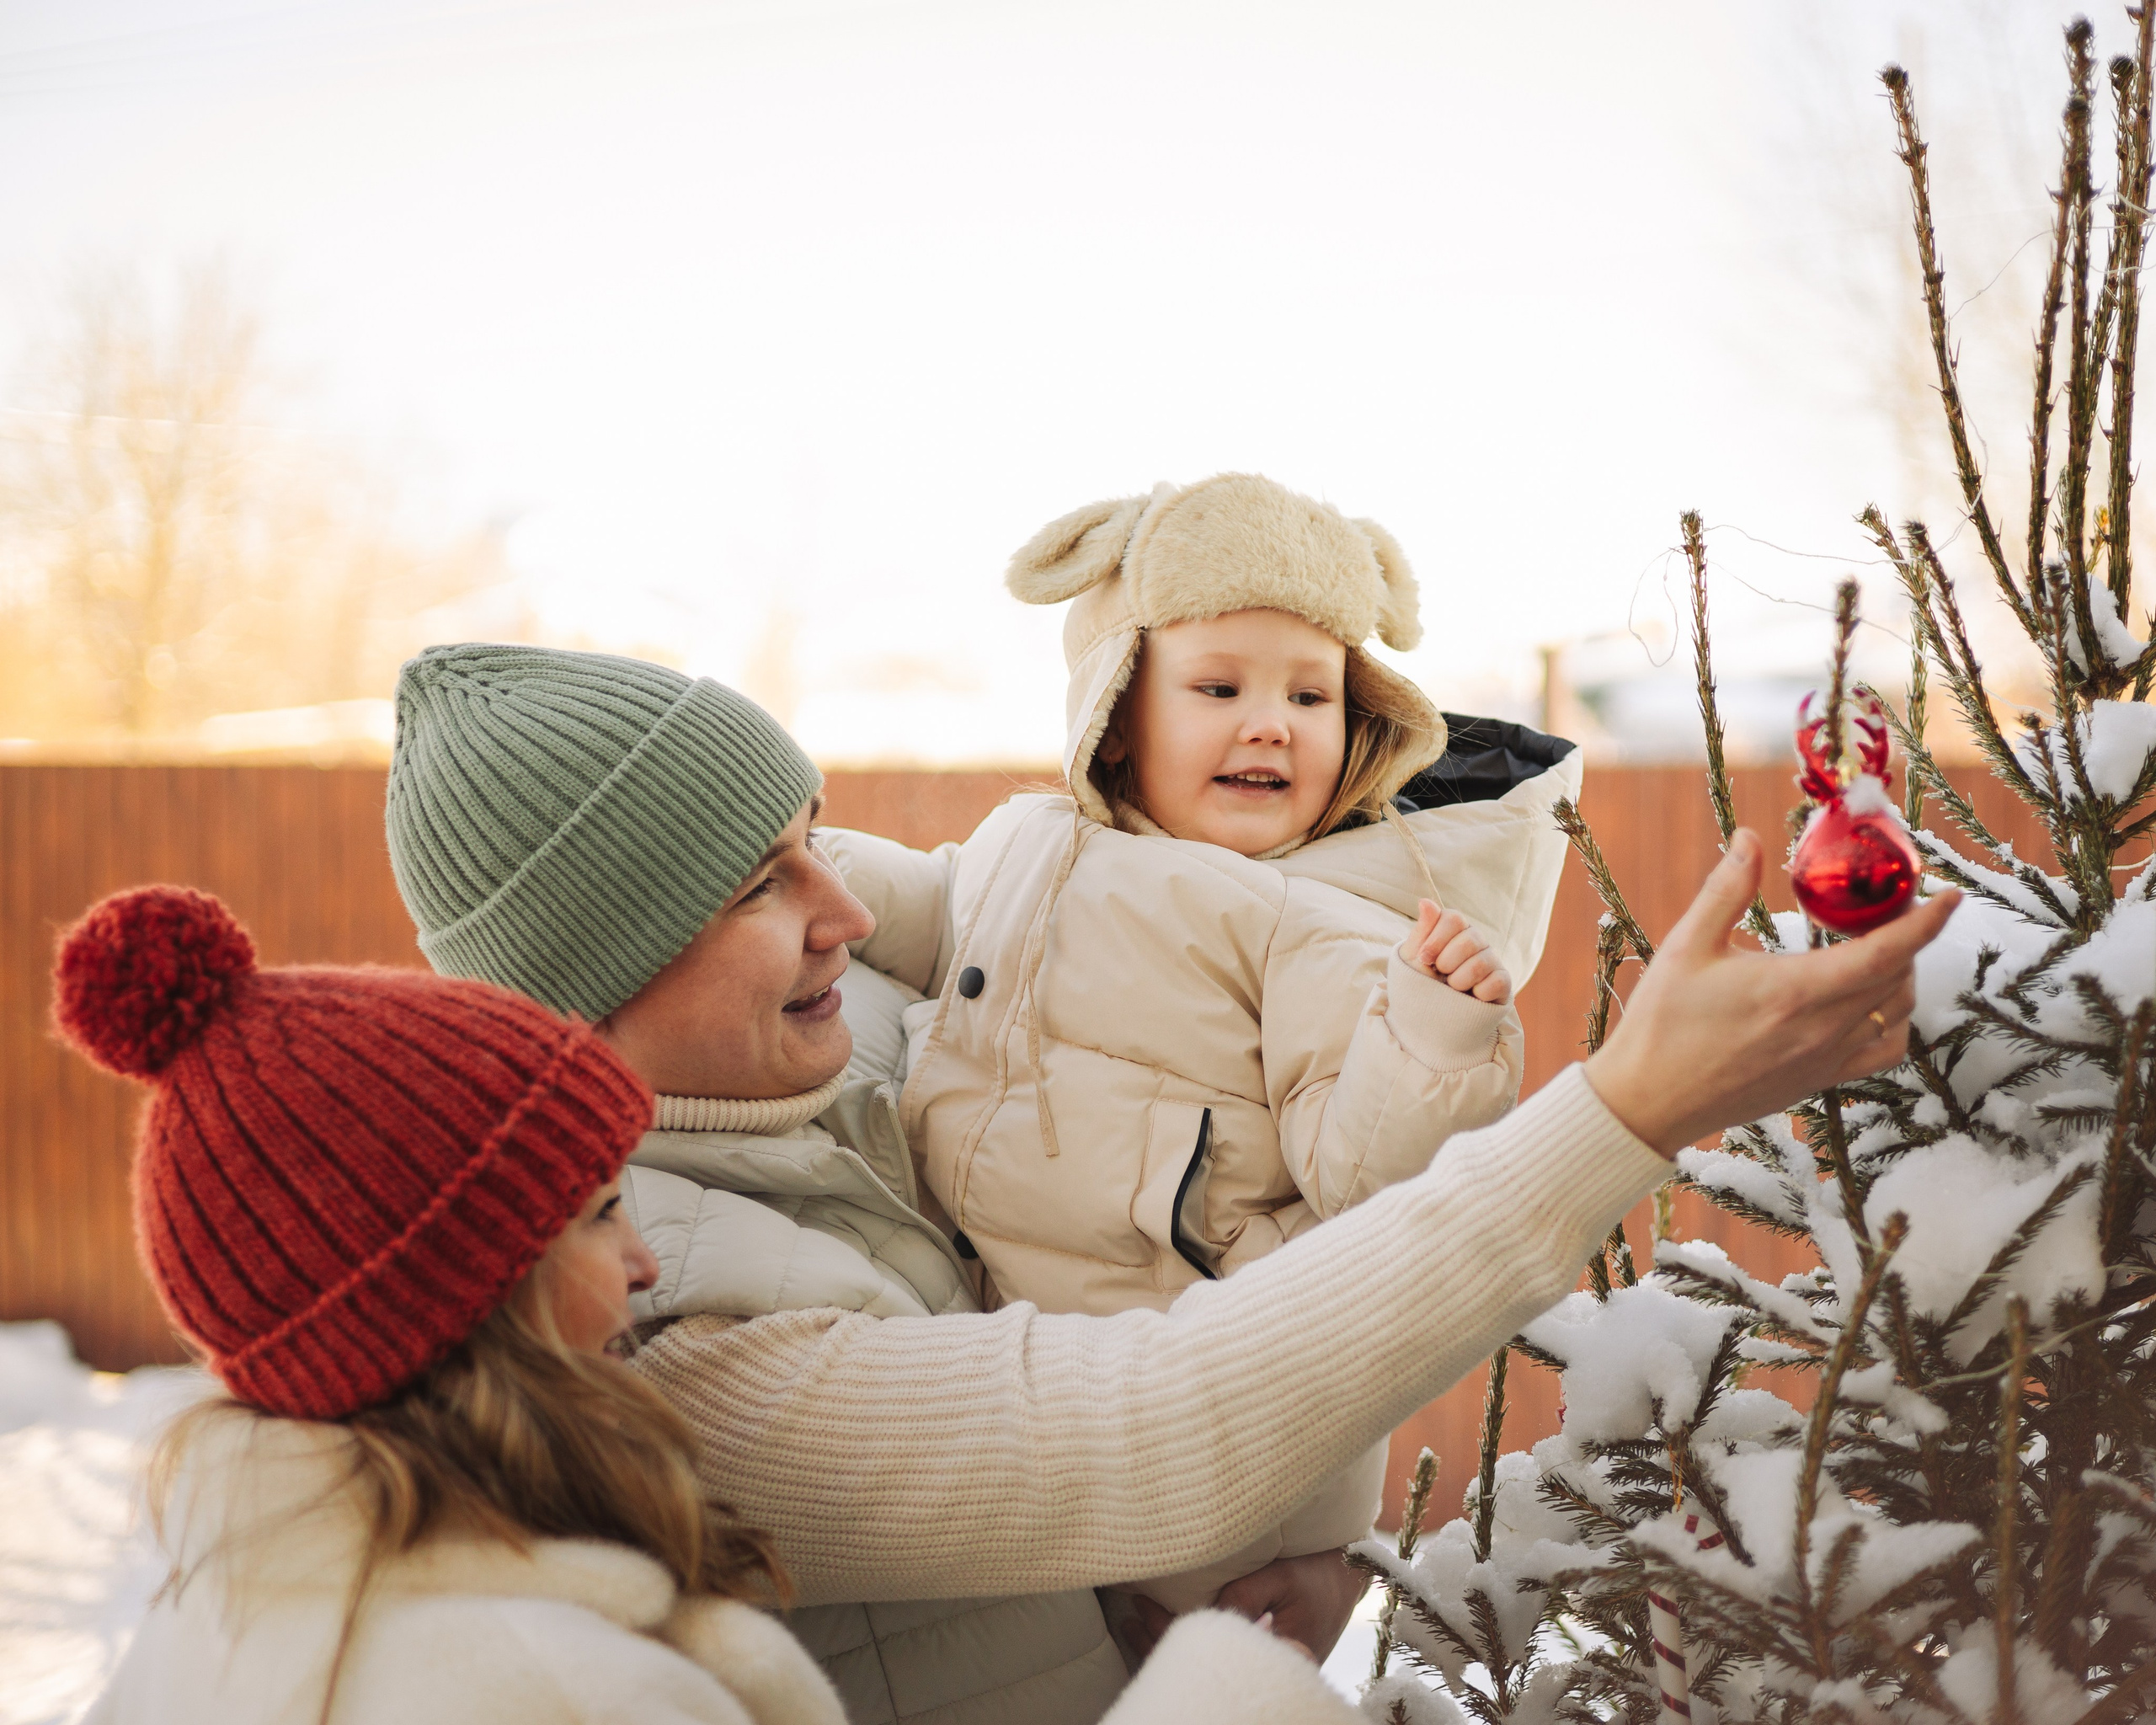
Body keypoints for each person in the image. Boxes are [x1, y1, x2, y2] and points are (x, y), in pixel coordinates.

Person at [384, 643, 1956, 1722]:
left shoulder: (853, 1039)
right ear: (595, 974)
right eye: (762, 884)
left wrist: (1244, 1568)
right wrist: (1629, 1109)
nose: (843, 909)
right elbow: (1141, 1430)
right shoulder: (627, 1311)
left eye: (816, 842)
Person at [62, 885, 1352, 1725]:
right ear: (460, 1305)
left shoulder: (228, 1627)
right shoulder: (541, 1688)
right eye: (592, 1215)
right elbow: (1164, 1424)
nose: (638, 1263)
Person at [824, 473, 1578, 1615]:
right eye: (1218, 686)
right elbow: (945, 911)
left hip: (1213, 1425)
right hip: (1033, 1380)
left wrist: (1432, 1033)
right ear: (1117, 713)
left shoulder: (1319, 923)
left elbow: (1367, 1178)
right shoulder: (1033, 836)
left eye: (1310, 697)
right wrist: (820, 871)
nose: (1269, 722)